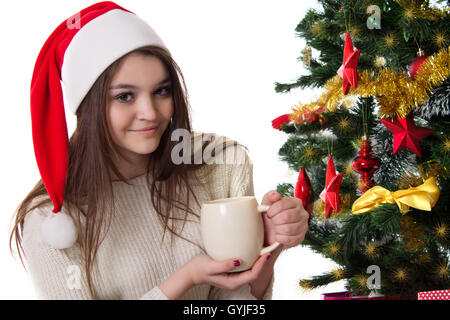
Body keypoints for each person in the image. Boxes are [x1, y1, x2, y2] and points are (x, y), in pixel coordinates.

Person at [9, 1, 309, 300]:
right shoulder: (51, 221)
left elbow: (239, 303)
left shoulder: (218, 163)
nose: (150, 112)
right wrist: (184, 279)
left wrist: (265, 247)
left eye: (161, 91)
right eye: (125, 96)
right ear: (88, 107)